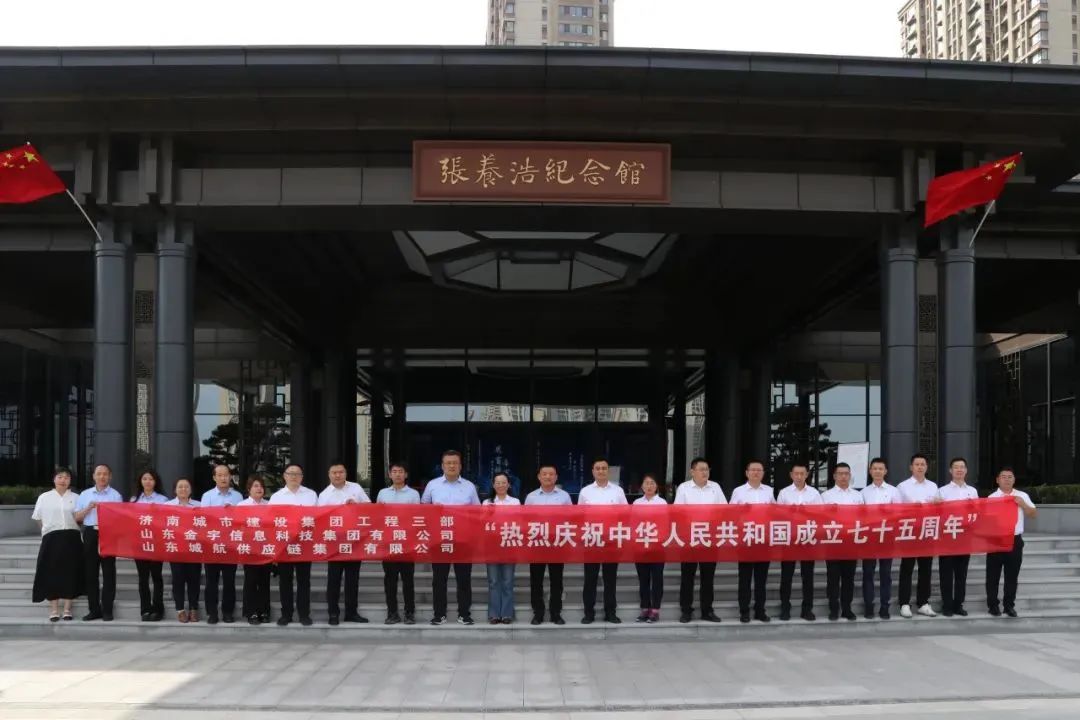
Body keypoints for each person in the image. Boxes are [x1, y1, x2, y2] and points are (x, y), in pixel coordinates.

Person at [421, 450, 481, 625]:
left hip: (463, 539)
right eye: (448, 463)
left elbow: (477, 511)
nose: (452, 466)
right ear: (442, 466)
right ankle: (439, 614)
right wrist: (433, 509)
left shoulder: (469, 486)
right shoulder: (432, 485)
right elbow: (423, 508)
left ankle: (464, 614)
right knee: (439, 579)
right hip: (440, 539)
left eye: (455, 463)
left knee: (464, 579)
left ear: (460, 466)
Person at [317, 461, 372, 626]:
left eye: (341, 472)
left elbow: (370, 508)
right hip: (335, 542)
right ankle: (333, 613)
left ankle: (351, 612)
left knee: (352, 580)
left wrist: (357, 506)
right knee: (333, 579)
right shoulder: (324, 495)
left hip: (354, 541)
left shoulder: (356, 488)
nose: (338, 475)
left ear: (345, 473)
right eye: (334, 472)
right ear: (329, 475)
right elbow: (320, 518)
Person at [674, 457, 725, 623]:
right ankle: (686, 610)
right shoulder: (684, 488)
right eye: (701, 469)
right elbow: (678, 512)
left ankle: (707, 610)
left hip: (709, 538)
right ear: (692, 472)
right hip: (690, 538)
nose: (705, 472)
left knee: (708, 577)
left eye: (707, 469)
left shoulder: (715, 487)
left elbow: (725, 510)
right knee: (687, 576)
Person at [578, 456, 628, 624]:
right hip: (592, 539)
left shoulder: (618, 491)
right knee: (590, 579)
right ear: (593, 471)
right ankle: (588, 613)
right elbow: (579, 516)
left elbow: (625, 514)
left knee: (610, 579)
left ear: (608, 471)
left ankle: (610, 612)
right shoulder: (585, 492)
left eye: (604, 468)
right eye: (598, 468)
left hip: (611, 539)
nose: (601, 471)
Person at [31, 467, 84, 622]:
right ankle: (54, 609)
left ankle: (67, 609)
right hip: (51, 538)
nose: (63, 480)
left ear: (70, 480)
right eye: (60, 477)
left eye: (66, 477)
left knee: (70, 572)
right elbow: (38, 518)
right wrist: (47, 532)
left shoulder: (77, 497)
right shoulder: (44, 497)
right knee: (51, 572)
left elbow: (80, 519)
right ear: (54, 479)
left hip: (72, 537)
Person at [269, 463, 318, 626]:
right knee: (285, 581)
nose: (294, 476)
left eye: (297, 474)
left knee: (304, 581)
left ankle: (304, 614)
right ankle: (286, 614)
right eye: (291, 473)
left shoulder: (311, 495)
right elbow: (271, 523)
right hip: (284, 545)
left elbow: (318, 519)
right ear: (284, 476)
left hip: (304, 543)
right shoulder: (276, 497)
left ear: (302, 477)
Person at [524, 463, 572, 625]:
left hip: (557, 543)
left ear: (556, 477)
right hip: (537, 543)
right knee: (536, 581)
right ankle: (538, 613)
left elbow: (571, 518)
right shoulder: (531, 497)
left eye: (551, 474)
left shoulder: (564, 496)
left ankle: (555, 613)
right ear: (539, 477)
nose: (548, 477)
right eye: (544, 474)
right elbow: (525, 520)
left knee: (557, 581)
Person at [74, 464, 123, 621]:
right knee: (91, 573)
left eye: (105, 474)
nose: (102, 476)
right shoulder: (85, 494)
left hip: (108, 533)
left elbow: (120, 519)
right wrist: (89, 508)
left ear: (110, 477)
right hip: (90, 532)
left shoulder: (116, 496)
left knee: (109, 573)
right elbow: (77, 518)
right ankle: (94, 609)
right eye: (99, 474)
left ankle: (107, 610)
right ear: (94, 476)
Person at [986, 466, 1037, 618]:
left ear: (1014, 480)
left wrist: (1023, 504)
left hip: (1015, 540)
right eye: (1003, 477)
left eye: (1010, 477)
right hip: (996, 540)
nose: (1007, 479)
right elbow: (986, 521)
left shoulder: (1022, 496)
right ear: (997, 480)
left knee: (1012, 576)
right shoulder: (991, 498)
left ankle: (1009, 606)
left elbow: (1033, 514)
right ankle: (993, 606)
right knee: (992, 575)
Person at [776, 462, 822, 621]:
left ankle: (807, 609)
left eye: (802, 473)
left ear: (807, 475)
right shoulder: (784, 493)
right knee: (786, 576)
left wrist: (806, 512)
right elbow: (777, 515)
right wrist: (791, 512)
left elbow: (820, 515)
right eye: (796, 473)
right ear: (791, 475)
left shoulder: (814, 493)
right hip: (789, 539)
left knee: (808, 576)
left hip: (808, 538)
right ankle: (785, 608)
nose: (799, 476)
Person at [730, 459, 775, 623]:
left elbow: (775, 512)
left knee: (761, 580)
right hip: (746, 539)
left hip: (763, 539)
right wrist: (742, 512)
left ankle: (760, 610)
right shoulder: (738, 491)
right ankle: (744, 611)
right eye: (753, 470)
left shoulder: (769, 491)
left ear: (763, 473)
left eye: (759, 470)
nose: (756, 472)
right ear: (747, 473)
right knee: (745, 578)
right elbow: (730, 513)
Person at [377, 461, 421, 625]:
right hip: (388, 543)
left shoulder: (413, 494)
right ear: (390, 474)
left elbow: (417, 517)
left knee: (408, 580)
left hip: (407, 542)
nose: (397, 474)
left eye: (400, 471)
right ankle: (392, 612)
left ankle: (409, 612)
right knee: (390, 580)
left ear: (406, 474)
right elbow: (378, 517)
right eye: (394, 471)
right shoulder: (382, 493)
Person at [896, 453, 939, 619]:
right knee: (907, 568)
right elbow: (896, 510)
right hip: (909, 531)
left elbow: (939, 509)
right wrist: (910, 508)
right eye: (917, 464)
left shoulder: (933, 486)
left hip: (927, 531)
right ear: (911, 467)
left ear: (927, 467)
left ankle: (923, 603)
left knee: (926, 569)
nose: (920, 467)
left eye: (923, 464)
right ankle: (904, 603)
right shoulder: (902, 487)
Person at [200, 464, 243, 624]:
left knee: (229, 581)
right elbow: (203, 519)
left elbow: (242, 520)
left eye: (226, 475)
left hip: (230, 544)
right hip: (212, 543)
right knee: (211, 581)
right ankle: (212, 613)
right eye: (220, 475)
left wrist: (233, 511)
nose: (223, 478)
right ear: (214, 478)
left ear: (230, 477)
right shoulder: (207, 496)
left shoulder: (238, 496)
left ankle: (228, 612)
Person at [821, 462, 863, 621]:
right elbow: (820, 518)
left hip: (851, 541)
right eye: (840, 473)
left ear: (850, 476)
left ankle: (847, 608)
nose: (843, 476)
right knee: (833, 577)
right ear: (834, 476)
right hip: (832, 541)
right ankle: (833, 608)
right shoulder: (825, 496)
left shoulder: (857, 496)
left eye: (846, 473)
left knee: (848, 578)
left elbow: (863, 517)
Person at [860, 457, 901, 619]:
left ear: (885, 471)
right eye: (874, 468)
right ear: (870, 471)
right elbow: (859, 515)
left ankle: (885, 606)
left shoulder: (893, 491)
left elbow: (899, 514)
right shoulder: (863, 493)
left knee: (886, 574)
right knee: (868, 573)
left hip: (887, 537)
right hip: (869, 537)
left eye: (880, 469)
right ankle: (868, 606)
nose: (877, 471)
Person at [937, 457, 979, 617]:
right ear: (950, 470)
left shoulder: (972, 491)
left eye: (962, 467)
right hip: (947, 536)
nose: (959, 470)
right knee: (946, 574)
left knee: (961, 574)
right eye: (956, 467)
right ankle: (947, 605)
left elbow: (977, 513)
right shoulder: (942, 491)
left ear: (966, 470)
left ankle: (958, 604)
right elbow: (937, 514)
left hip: (964, 536)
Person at [131, 469, 168, 622]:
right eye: (145, 478)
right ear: (140, 481)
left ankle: (158, 609)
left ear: (155, 482)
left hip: (156, 543)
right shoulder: (134, 500)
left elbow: (167, 520)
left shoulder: (163, 500)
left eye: (151, 479)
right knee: (143, 578)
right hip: (140, 543)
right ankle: (145, 609)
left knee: (156, 576)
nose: (147, 482)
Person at [483, 472, 520, 624]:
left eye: (503, 482)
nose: (500, 485)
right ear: (493, 485)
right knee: (493, 581)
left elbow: (518, 521)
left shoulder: (515, 502)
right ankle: (494, 614)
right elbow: (482, 522)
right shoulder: (487, 502)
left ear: (508, 484)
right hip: (492, 545)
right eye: (497, 483)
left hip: (509, 544)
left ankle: (506, 614)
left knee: (507, 581)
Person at [166, 478, 202, 623]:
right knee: (178, 579)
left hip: (194, 548)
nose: (183, 489)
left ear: (191, 490)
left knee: (194, 579)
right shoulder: (167, 505)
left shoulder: (199, 505)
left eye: (186, 487)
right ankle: (180, 609)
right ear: (175, 490)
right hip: (176, 548)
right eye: (180, 487)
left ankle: (193, 609)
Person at [633, 473, 667, 623]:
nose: (649, 486)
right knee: (643, 579)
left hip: (657, 545)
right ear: (642, 486)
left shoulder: (662, 503)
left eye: (652, 483)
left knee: (657, 578)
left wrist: (658, 540)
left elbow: (665, 524)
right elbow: (632, 523)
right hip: (640, 545)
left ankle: (655, 610)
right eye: (646, 483)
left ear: (656, 486)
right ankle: (644, 608)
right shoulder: (636, 503)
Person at [238, 475, 271, 625]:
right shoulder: (242, 505)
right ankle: (250, 612)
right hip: (249, 549)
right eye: (256, 486)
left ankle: (264, 611)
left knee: (264, 581)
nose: (259, 489)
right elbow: (238, 527)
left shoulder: (269, 505)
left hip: (266, 548)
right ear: (249, 489)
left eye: (261, 486)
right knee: (251, 581)